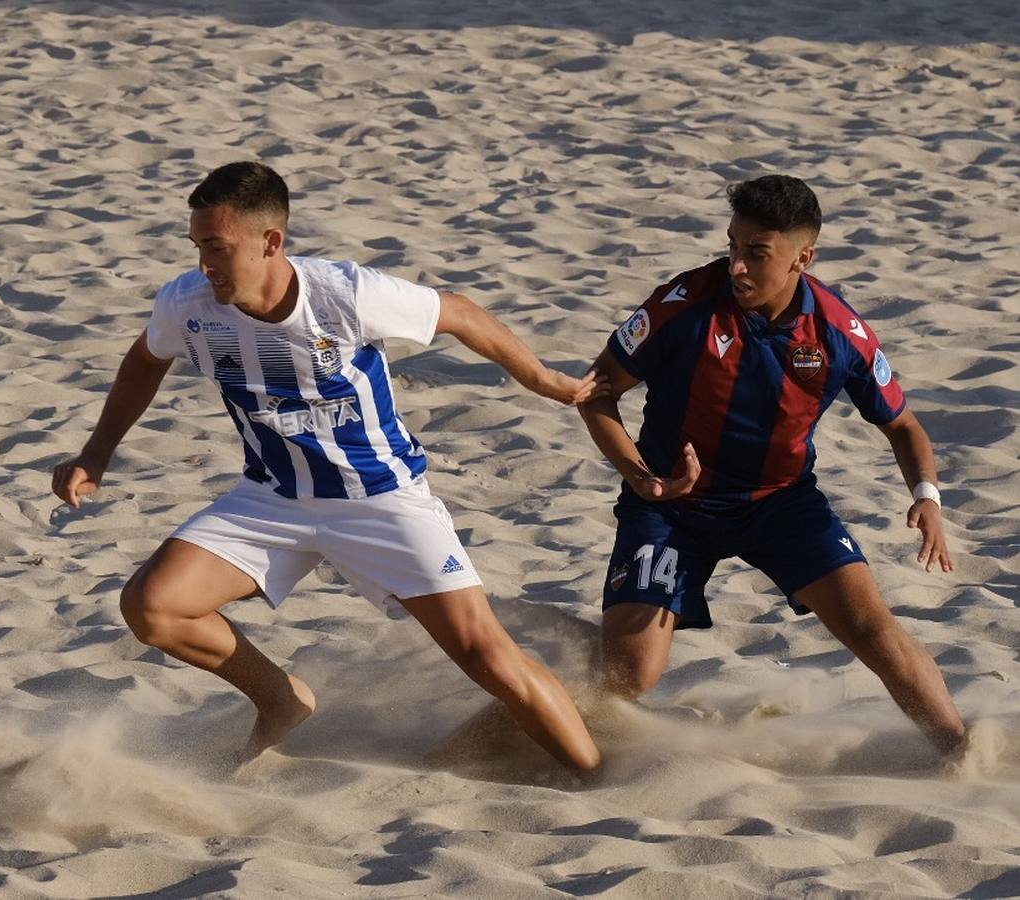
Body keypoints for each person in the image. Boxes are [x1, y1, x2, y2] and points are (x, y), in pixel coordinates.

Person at [52, 161, 603, 771]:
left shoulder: (344, 294)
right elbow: (144, 360)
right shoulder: (188, 305)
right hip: (272, 497)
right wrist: (96, 453)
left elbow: (459, 312)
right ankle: (281, 701)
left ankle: (596, 777)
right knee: (152, 607)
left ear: (271, 242)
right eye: (197, 246)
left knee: (488, 658)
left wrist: (543, 378)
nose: (204, 263)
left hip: (379, 498)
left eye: (217, 246)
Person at [577, 173, 967, 755]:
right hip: (671, 506)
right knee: (628, 675)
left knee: (873, 628)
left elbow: (904, 426)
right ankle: (565, 661)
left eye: (756, 253)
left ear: (802, 258)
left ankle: (960, 752)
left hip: (780, 503)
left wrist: (927, 498)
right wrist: (641, 477)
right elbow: (596, 390)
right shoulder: (684, 303)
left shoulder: (839, 331)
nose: (736, 265)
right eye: (732, 245)